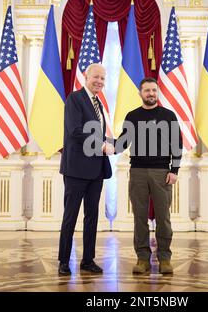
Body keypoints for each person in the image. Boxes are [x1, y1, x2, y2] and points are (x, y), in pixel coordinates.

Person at [109, 77, 183, 274]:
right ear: (140, 93)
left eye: (154, 90)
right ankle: (142, 259)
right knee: (139, 217)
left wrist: (174, 170)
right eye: (147, 90)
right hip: (138, 172)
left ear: (157, 92)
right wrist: (105, 145)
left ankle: (165, 258)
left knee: (163, 217)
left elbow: (177, 144)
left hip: (162, 172)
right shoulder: (132, 116)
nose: (151, 93)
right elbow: (123, 143)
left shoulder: (168, 116)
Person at [58, 63, 112, 276]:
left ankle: (88, 260)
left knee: (92, 217)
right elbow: (75, 131)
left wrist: (115, 143)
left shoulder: (98, 102)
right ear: (85, 77)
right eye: (96, 77)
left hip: (96, 169)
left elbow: (96, 134)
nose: (99, 81)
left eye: (103, 78)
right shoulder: (75, 99)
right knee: (70, 217)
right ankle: (63, 261)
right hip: (76, 169)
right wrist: (101, 145)